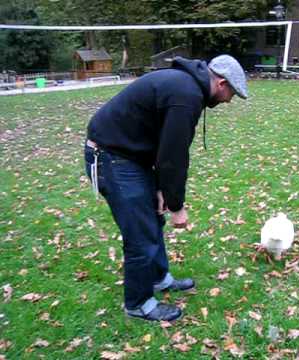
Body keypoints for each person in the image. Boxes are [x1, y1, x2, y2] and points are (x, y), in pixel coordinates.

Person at [84, 55, 248, 322]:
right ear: (220, 83)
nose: (229, 100)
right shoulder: (187, 95)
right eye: (232, 93)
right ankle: (138, 304)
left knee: (151, 221)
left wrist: (162, 189)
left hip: (130, 157)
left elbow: (164, 149)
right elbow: (173, 156)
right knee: (140, 233)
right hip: (112, 158)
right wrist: (177, 206)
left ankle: (159, 278)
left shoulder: (185, 87)